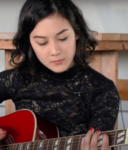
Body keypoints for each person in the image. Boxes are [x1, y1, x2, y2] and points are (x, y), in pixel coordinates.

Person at [0, 0, 120, 149]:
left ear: (76, 32)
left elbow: (98, 143)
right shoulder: (14, 79)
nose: (55, 50)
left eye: (62, 38)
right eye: (42, 42)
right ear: (29, 42)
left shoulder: (102, 91)